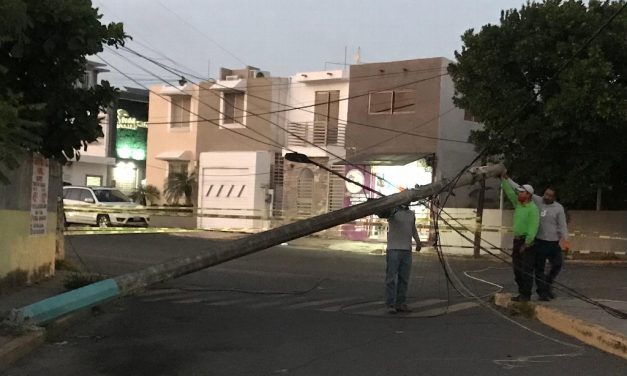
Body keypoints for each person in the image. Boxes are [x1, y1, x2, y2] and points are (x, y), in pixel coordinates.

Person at [506, 177, 569, 300]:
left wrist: (566, 242)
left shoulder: (558, 209)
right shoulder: (537, 201)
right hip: (539, 241)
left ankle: (547, 285)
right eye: (546, 194)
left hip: (552, 243)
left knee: (557, 264)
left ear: (554, 198)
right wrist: (506, 178)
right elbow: (519, 188)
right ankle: (542, 292)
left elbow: (563, 226)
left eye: (550, 196)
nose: (546, 197)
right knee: (538, 268)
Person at [500, 170, 540, 302]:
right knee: (517, 270)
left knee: (526, 270)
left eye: (522, 192)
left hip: (526, 242)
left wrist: (527, 243)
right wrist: (504, 180)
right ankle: (521, 292)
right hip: (517, 240)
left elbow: (533, 228)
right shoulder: (519, 205)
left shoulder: (532, 209)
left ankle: (526, 294)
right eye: (520, 192)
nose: (520, 194)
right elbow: (510, 192)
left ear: (529, 195)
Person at [378, 202, 422, 314]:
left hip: (407, 250)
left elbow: (413, 229)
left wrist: (418, 242)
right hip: (393, 249)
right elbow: (382, 213)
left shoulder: (411, 214)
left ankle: (400, 303)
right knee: (391, 278)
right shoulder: (393, 211)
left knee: (404, 279)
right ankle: (390, 304)